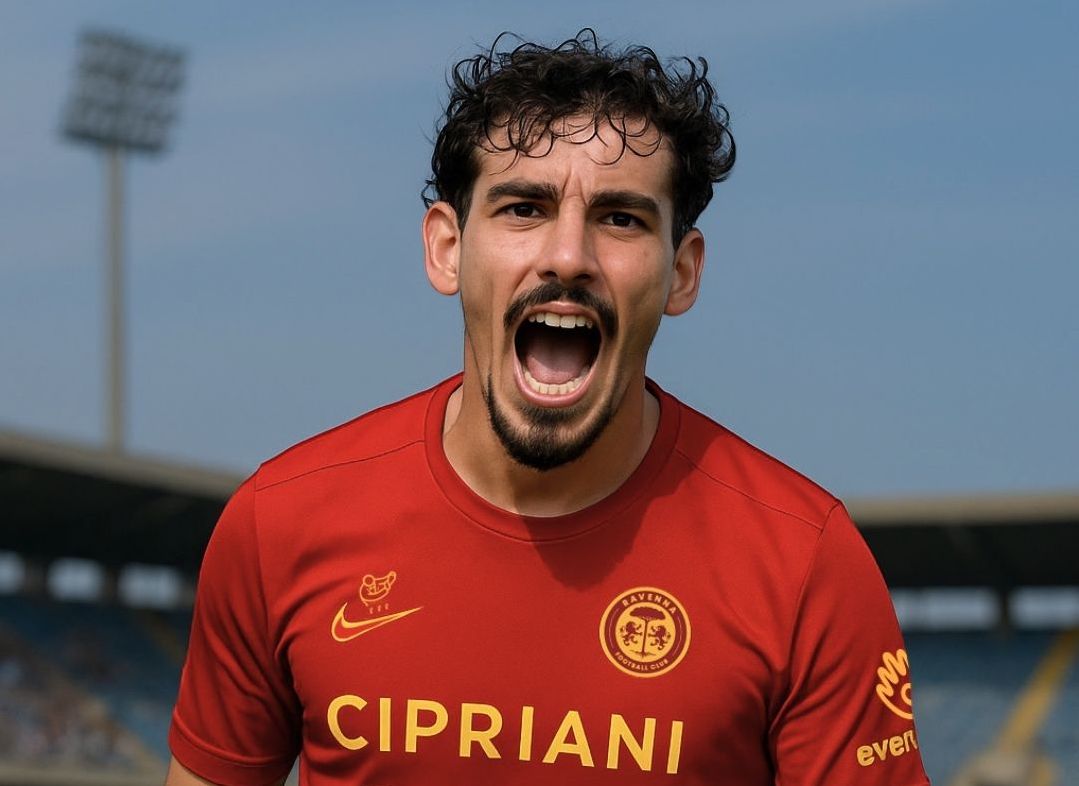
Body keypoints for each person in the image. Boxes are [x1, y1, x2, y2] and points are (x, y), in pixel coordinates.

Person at [166, 30, 930, 786]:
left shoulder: (803, 566)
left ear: (681, 272)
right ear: (446, 248)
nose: (568, 257)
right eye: (523, 208)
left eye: (620, 218)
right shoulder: (279, 524)